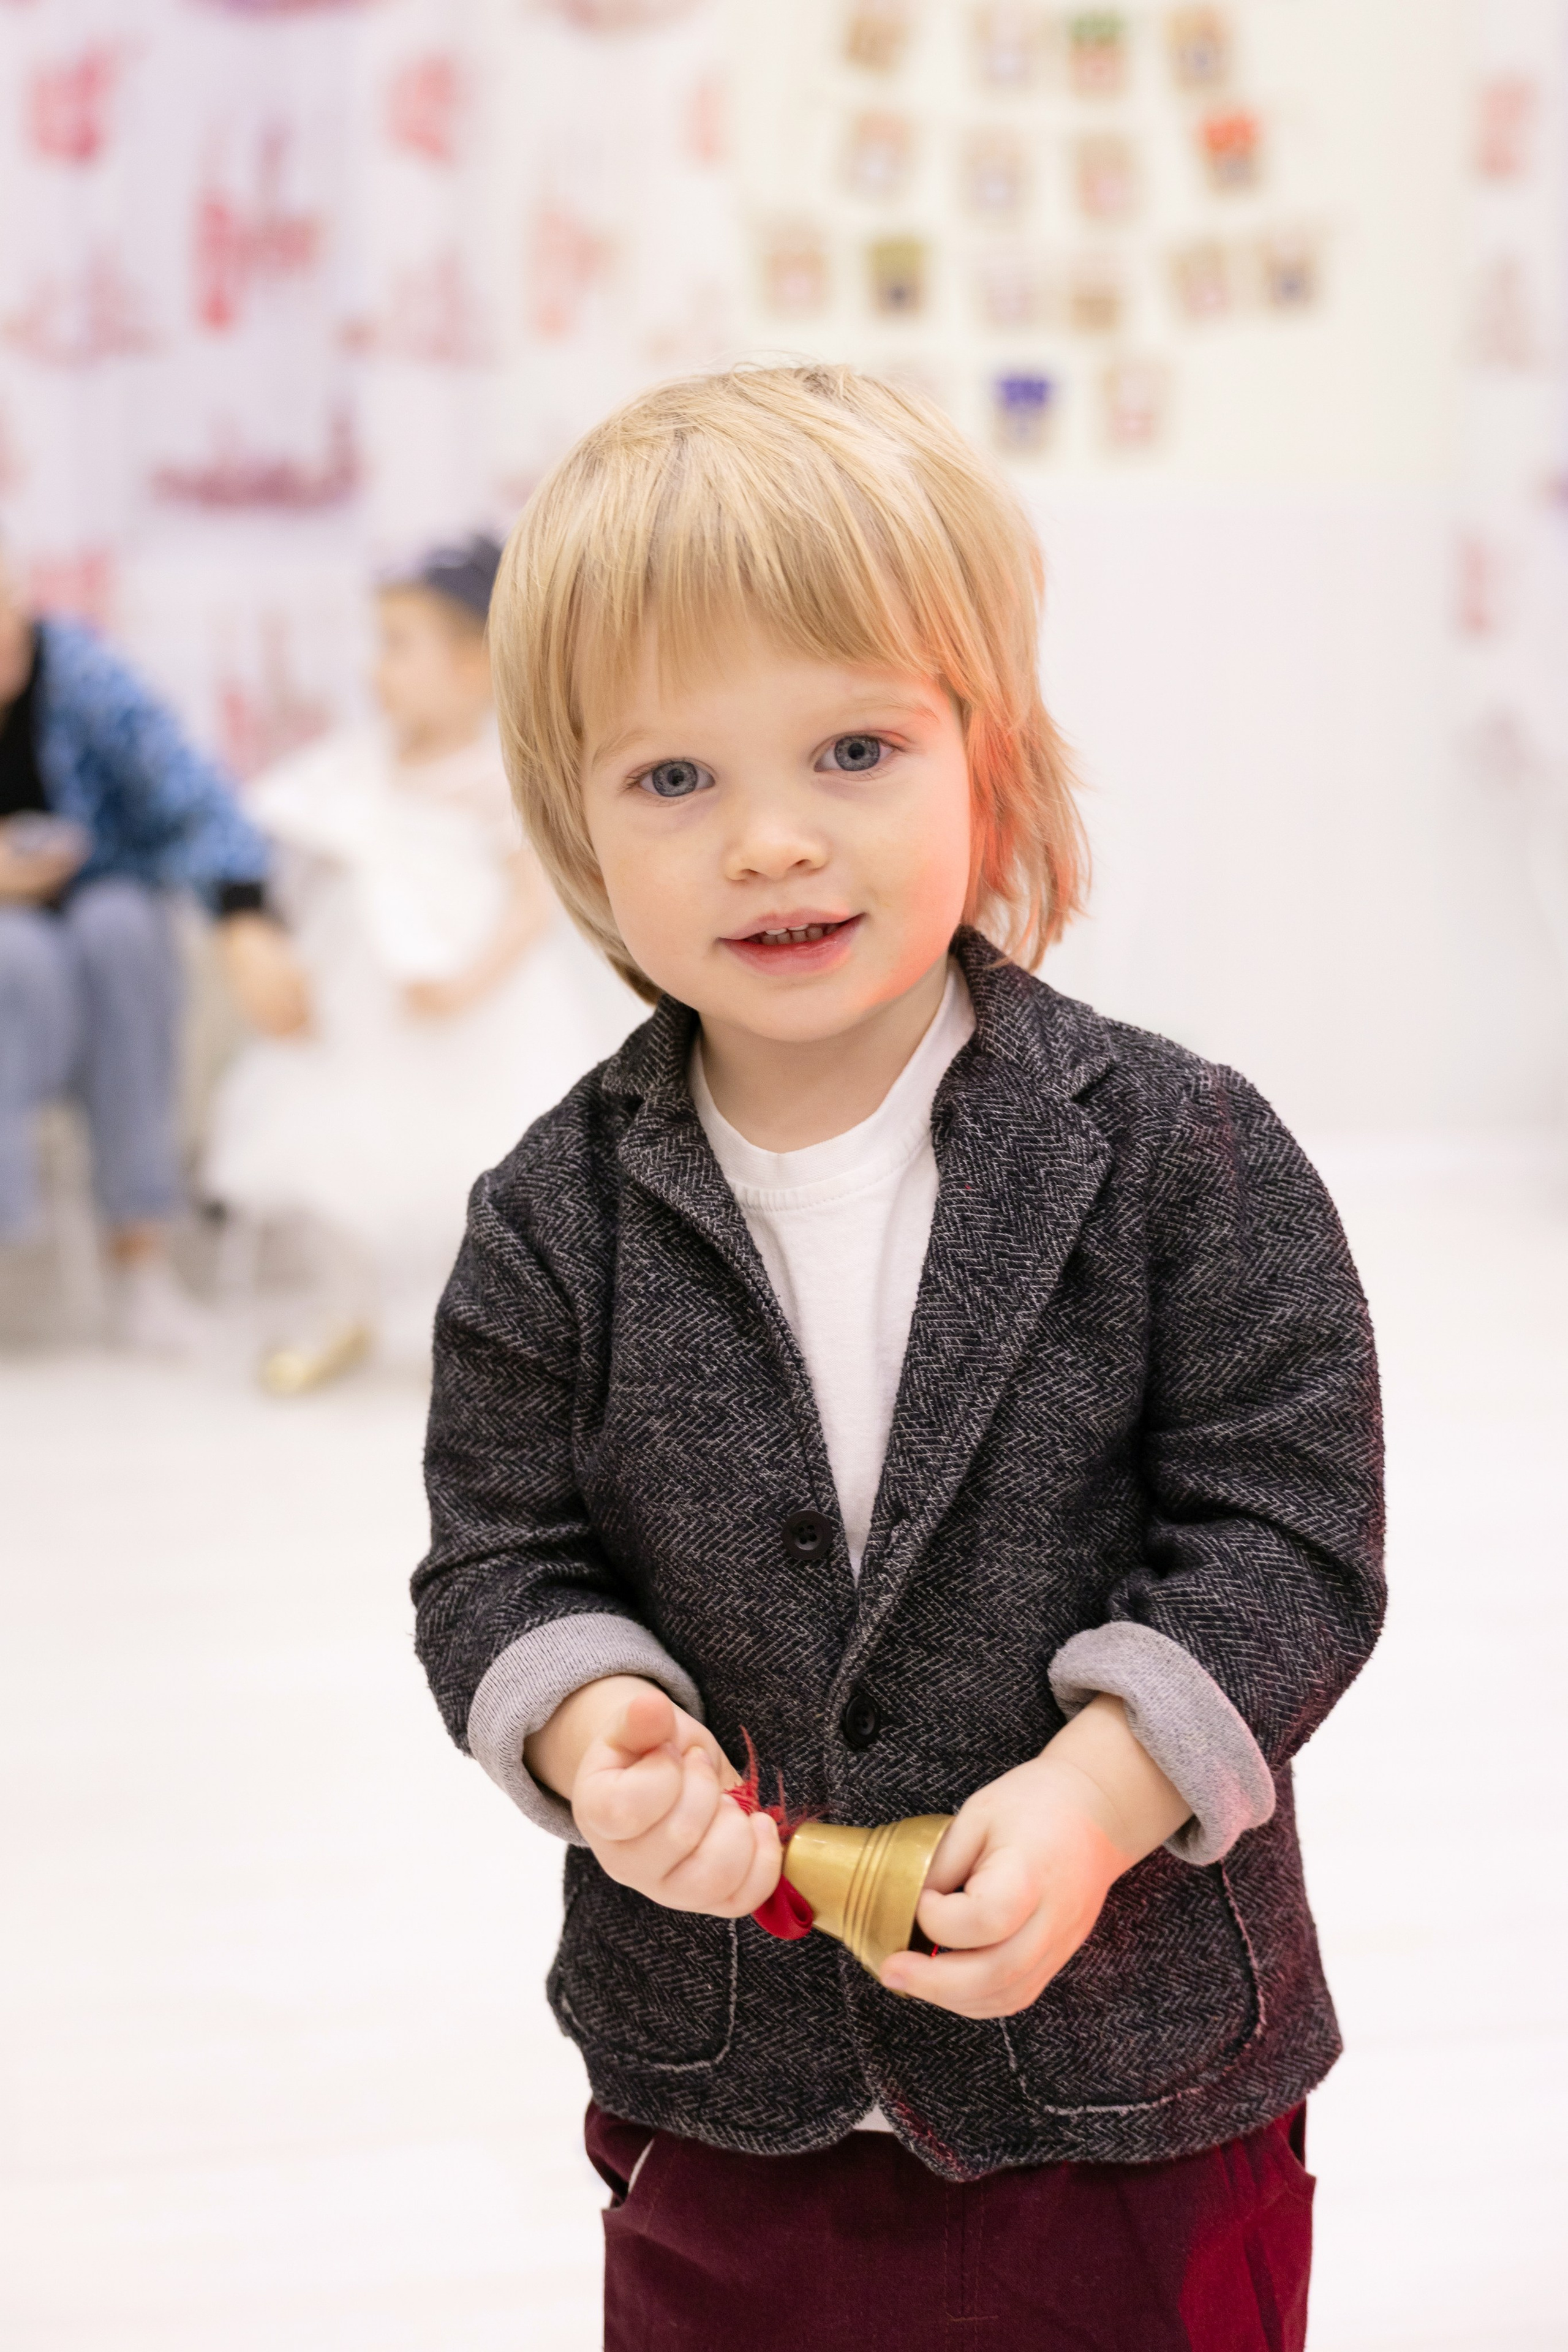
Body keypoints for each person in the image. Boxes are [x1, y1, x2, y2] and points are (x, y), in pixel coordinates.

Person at [412, 370, 1385, 2349]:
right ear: (574, 837)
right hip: (723, 2092)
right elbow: (498, 1563)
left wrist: (1113, 1790)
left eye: (853, 747)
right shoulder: (548, 1217)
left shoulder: (1181, 1150)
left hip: (1127, 2091)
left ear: (988, 765)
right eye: (673, 780)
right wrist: (598, 1731)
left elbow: (1291, 1532)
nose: (772, 841)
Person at [205, 537, 640, 1381]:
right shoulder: (364, 764)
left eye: (400, 648)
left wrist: (471, 978)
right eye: (379, 646)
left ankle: (500, 1324)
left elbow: (531, 898)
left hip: (477, 1006)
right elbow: (297, 839)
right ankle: (345, 1308)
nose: (379, 671)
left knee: (479, 1152)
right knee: (336, 1139)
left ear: (475, 666)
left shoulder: (497, 774)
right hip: (367, 1005)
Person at [0, 552, 306, 1348]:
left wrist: (244, 915)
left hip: (108, 896)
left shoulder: (82, 674)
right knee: (20, 959)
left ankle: (142, 1267)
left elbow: (191, 794)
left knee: (123, 934)